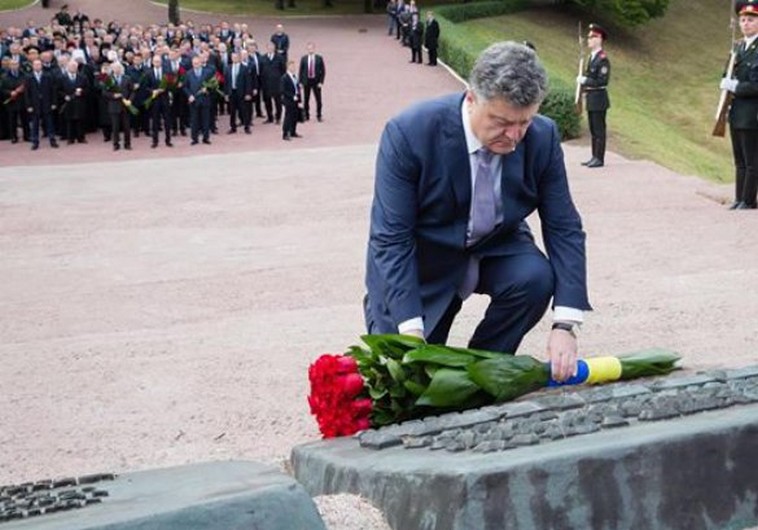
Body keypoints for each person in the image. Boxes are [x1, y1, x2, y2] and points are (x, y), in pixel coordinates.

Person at [363, 41, 591, 382]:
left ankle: (481, 370)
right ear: (471, 98)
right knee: (406, 381)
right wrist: (410, 331)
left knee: (534, 277)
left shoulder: (542, 137)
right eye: (501, 122)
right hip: (423, 255)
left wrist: (565, 324)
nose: (514, 137)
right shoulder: (409, 134)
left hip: (495, 245)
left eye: (524, 122)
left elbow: (564, 225)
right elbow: (391, 239)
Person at [720, 0, 758, 209]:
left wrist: (735, 86)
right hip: (736, 112)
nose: (746, 24)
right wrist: (725, 81)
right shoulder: (738, 48)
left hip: (753, 112)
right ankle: (739, 198)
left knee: (752, 160)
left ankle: (749, 200)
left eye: (751, 20)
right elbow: (726, 73)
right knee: (739, 160)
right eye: (743, 20)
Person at [577, 23, 610, 168]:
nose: (588, 39)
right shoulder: (592, 57)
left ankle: (599, 158)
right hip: (591, 97)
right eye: (589, 37)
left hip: (599, 98)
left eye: (592, 37)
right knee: (593, 129)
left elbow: (602, 80)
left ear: (599, 39)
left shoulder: (602, 59)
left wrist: (585, 80)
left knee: (599, 130)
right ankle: (594, 156)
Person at [24, 59, 59, 150]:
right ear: (32, 66)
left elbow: (53, 90)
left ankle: (52, 139)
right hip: (35, 104)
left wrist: (54, 102)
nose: (37, 66)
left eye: (39, 64)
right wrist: (28, 105)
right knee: (35, 124)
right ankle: (35, 141)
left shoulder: (48, 76)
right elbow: (27, 93)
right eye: (35, 65)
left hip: (47, 103)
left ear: (41, 66)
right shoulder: (29, 77)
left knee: (49, 123)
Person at [183, 55, 212, 145]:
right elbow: (185, 87)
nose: (196, 65)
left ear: (201, 63)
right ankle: (194, 139)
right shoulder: (188, 73)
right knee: (194, 120)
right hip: (194, 101)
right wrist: (189, 95)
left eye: (197, 63)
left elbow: (213, 85)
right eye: (194, 63)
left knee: (206, 120)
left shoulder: (208, 72)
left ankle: (206, 138)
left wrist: (207, 89)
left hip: (204, 100)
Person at [145, 54, 173, 147]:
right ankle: (155, 141)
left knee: (167, 120)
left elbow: (171, 85)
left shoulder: (167, 71)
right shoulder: (148, 73)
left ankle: (168, 140)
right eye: (155, 61)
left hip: (165, 98)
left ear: (161, 62)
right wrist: (153, 91)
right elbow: (145, 87)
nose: (157, 63)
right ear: (152, 62)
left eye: (159, 61)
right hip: (154, 100)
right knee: (155, 121)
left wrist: (165, 89)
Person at [107, 61, 133, 151]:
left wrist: (130, 100)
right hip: (114, 106)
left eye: (119, 68)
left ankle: (127, 144)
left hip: (125, 106)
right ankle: (116, 144)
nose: (117, 70)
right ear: (112, 69)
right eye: (115, 68)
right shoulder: (108, 79)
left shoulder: (127, 78)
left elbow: (132, 91)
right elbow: (105, 92)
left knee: (127, 127)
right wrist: (113, 96)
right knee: (115, 127)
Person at [298, 42, 325, 122]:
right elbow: (301, 71)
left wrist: (321, 82)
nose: (310, 50)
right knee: (306, 99)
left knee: (318, 100)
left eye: (312, 48)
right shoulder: (304, 58)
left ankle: (319, 115)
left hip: (316, 81)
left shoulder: (319, 58)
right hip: (307, 81)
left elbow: (323, 71)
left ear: (314, 49)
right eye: (309, 48)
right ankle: (306, 115)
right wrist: (301, 82)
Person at [260, 42, 284, 124]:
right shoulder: (262, 58)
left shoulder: (279, 57)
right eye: (268, 47)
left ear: (274, 48)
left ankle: (278, 118)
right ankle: (270, 117)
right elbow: (260, 71)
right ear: (266, 48)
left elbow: (283, 70)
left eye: (272, 47)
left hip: (277, 84)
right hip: (266, 84)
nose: (270, 48)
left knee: (278, 102)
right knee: (267, 102)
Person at [280, 59, 302, 141]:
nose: (293, 68)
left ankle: (293, 131)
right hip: (289, 100)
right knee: (288, 117)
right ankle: (285, 133)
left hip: (295, 100)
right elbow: (283, 90)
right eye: (291, 66)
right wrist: (292, 96)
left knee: (295, 116)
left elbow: (298, 89)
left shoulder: (295, 77)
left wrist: (299, 100)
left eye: (294, 66)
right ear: (288, 67)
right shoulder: (284, 78)